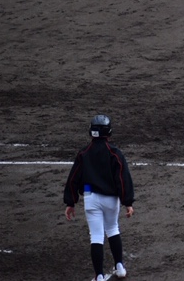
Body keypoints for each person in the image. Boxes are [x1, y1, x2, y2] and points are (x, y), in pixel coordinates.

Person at [63, 115, 135, 281]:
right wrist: (128, 202)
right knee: (113, 229)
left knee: (96, 236)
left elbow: (73, 178)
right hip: (111, 199)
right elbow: (122, 179)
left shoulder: (84, 153)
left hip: (91, 199)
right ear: (108, 132)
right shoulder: (115, 153)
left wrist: (70, 202)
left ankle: (99, 276)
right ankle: (120, 267)